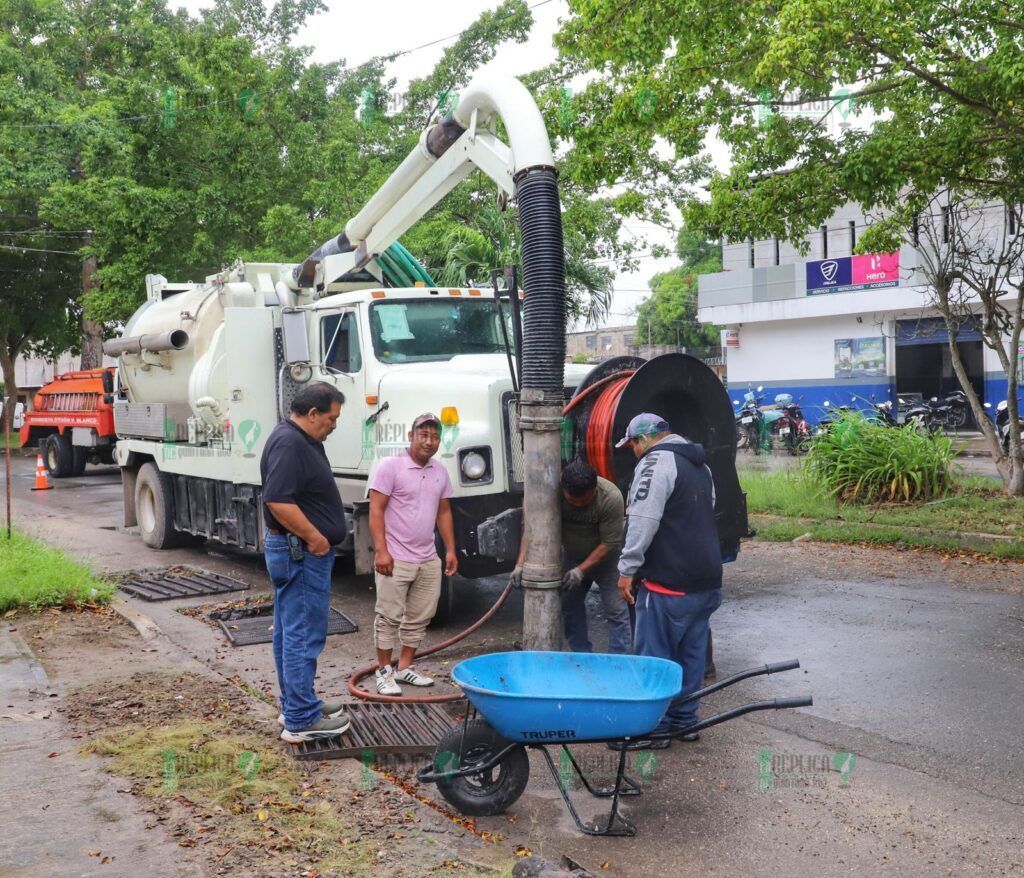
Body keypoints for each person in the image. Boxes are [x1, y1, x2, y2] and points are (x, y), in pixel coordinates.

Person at [615, 413, 722, 750]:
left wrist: (627, 569)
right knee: (691, 656)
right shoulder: (700, 465)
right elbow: (710, 508)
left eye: (632, 442)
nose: (632, 450)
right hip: (706, 580)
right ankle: (685, 722)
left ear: (644, 439)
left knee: (655, 659)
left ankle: (655, 729)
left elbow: (643, 519)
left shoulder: (655, 463)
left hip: (669, 582)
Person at [261, 382, 351, 743]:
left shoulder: (298, 440)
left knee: (289, 630)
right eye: (331, 418)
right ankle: (301, 719)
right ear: (312, 413)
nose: (334, 425)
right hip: (300, 551)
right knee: (303, 633)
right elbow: (278, 501)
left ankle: (298, 703)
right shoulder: (289, 442)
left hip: (295, 550)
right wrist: (316, 538)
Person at [369, 413, 458, 695]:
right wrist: (382, 551)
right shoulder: (390, 467)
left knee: (420, 617)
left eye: (434, 437)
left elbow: (444, 512)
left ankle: (404, 667)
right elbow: (375, 510)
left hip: (428, 558)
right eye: (423, 435)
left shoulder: (439, 471)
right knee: (388, 617)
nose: (429, 442)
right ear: (410, 436)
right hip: (395, 557)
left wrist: (451, 550)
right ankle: (384, 673)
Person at [512, 460, 631, 654]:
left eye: (583, 502)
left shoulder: (610, 498)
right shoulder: (552, 492)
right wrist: (520, 563)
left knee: (616, 610)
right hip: (572, 557)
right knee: (570, 606)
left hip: (608, 561)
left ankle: (620, 661)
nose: (577, 505)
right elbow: (533, 527)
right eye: (572, 501)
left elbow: (609, 543)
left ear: (594, 489)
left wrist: (580, 571)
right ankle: (580, 655)